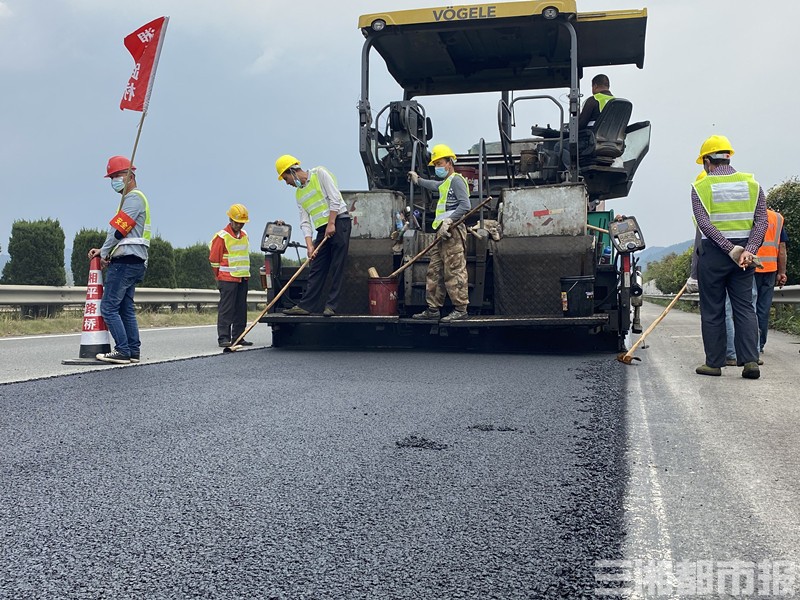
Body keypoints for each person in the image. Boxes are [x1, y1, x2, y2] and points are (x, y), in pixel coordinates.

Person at [691, 135, 767, 379]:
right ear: (728, 157)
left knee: (713, 310)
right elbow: (762, 221)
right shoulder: (752, 184)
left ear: (707, 162)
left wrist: (728, 248)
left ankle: (714, 364)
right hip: (745, 257)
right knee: (745, 308)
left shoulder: (700, 188)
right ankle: (750, 362)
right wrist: (749, 250)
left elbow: (705, 225)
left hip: (714, 255)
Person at [88, 156, 151, 364]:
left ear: (130, 176)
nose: (114, 180)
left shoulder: (133, 199)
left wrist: (104, 253)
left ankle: (122, 350)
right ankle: (133, 351)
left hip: (126, 262)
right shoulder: (133, 199)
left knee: (108, 307)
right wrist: (107, 251)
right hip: (135, 261)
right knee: (125, 308)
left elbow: (118, 232)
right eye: (111, 177)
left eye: (117, 175)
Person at [275, 154, 351, 317]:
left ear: (292, 171)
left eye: (286, 178)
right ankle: (306, 306)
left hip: (339, 221)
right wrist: (310, 246)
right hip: (322, 229)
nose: (287, 183)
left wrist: (332, 223)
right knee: (317, 267)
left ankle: (331, 306)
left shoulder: (320, 173)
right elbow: (305, 222)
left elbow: (335, 199)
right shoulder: (299, 195)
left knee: (337, 266)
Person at [407, 143, 471, 322]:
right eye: (435, 165)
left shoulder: (457, 180)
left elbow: (466, 206)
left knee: (454, 270)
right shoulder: (446, 183)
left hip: (453, 231)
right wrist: (418, 180)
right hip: (441, 232)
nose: (438, 167)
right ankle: (433, 309)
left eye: (440, 163)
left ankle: (461, 309)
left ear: (450, 162)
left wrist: (449, 221)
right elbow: (435, 185)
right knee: (434, 270)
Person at [209, 204, 254, 348]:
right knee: (226, 309)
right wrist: (219, 277)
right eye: (237, 222)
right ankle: (224, 337)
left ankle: (239, 337)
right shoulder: (222, 236)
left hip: (242, 277)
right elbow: (214, 259)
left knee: (241, 309)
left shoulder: (245, 235)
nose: (239, 225)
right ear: (230, 219)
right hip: (227, 278)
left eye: (242, 223)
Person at [754, 208, 789, 352]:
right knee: (763, 308)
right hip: (771, 269)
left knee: (749, 307)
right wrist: (782, 272)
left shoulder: (751, 215)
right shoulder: (777, 218)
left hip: (752, 268)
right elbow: (782, 248)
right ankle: (760, 344)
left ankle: (752, 344)